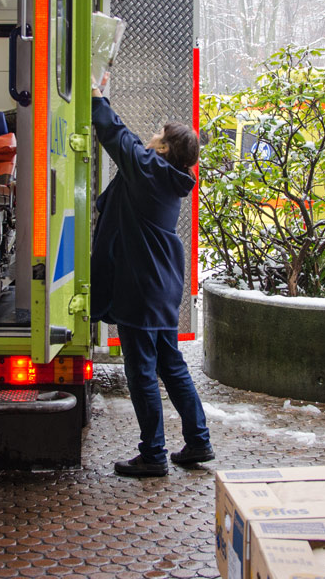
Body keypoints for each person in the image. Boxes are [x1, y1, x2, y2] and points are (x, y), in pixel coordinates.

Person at [90, 86, 213, 477]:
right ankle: (198, 441)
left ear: (163, 149)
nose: (152, 136)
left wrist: (96, 97)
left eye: (159, 134)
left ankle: (154, 454)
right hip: (161, 284)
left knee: (141, 370)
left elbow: (116, 136)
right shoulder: (165, 176)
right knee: (170, 364)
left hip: (142, 286)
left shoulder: (149, 170)